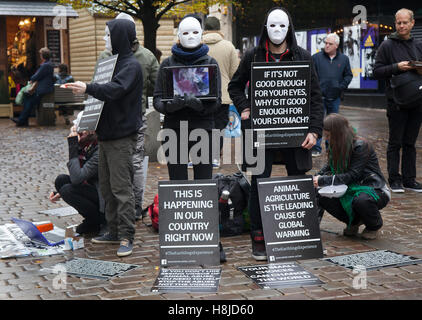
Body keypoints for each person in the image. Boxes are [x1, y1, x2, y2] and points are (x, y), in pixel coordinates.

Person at [228, 7, 324, 261]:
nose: (278, 31)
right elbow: (235, 86)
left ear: (289, 28)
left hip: (295, 131)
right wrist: (244, 108)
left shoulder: (303, 56)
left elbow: (315, 96)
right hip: (261, 132)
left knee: (297, 180)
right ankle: (259, 238)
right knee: (259, 182)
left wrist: (315, 130)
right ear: (265, 28)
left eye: (282, 26)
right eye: (273, 26)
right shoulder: (253, 56)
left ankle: (298, 235)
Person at [65, 18, 143, 257]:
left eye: (108, 35)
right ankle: (112, 229)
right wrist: (86, 122)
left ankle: (126, 235)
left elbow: (114, 90)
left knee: (121, 187)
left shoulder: (130, 65)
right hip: (107, 135)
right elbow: (101, 97)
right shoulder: (113, 63)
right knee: (107, 187)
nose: (104, 39)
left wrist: (87, 87)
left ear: (119, 37)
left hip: (121, 136)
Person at [98, 12, 159, 220]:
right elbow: (156, 85)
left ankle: (120, 215)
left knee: (121, 167)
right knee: (135, 164)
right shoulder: (146, 56)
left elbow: (99, 86)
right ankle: (132, 209)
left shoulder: (109, 56)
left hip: (117, 120)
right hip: (133, 118)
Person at [153, 15, 222, 181]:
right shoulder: (167, 64)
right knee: (177, 183)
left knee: (204, 183)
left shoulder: (211, 63)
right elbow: (157, 99)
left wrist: (200, 107)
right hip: (175, 130)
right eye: (186, 33)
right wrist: (171, 106)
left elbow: (217, 100)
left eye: (195, 32)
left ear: (201, 34)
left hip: (203, 129)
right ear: (179, 35)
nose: (190, 36)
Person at [313, 113, 391, 240]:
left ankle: (373, 225)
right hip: (348, 187)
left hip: (372, 188)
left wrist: (322, 180)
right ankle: (354, 222)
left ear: (338, 133)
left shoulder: (361, 146)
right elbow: (329, 167)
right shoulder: (336, 144)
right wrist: (316, 178)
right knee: (320, 194)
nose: (326, 139)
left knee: (361, 200)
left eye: (328, 135)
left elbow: (353, 175)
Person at [373, 8, 422, 193]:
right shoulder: (387, 45)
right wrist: (396, 67)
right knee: (395, 142)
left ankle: (410, 179)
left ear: (412, 23)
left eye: (404, 22)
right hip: (397, 102)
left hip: (417, 100)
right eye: (398, 23)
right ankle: (394, 180)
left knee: (410, 142)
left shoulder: (418, 45)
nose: (401, 26)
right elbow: (376, 71)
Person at [49, 112, 106, 235]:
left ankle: (96, 221)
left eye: (80, 131)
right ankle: (92, 220)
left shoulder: (99, 149)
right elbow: (78, 174)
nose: (76, 133)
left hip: (105, 199)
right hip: (94, 187)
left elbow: (77, 178)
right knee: (61, 181)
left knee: (67, 190)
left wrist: (73, 146)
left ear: (90, 131)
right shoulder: (87, 144)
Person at [202, 16, 240, 167]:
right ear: (219, 28)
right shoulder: (228, 46)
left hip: (201, 93)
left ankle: (199, 156)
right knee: (218, 126)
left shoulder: (198, 44)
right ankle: (215, 157)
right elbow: (234, 73)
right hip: (222, 95)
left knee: (201, 125)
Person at [311, 33, 353, 157]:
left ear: (336, 45)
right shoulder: (316, 58)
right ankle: (316, 147)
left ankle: (332, 148)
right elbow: (311, 75)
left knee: (334, 124)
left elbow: (348, 75)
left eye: (330, 44)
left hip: (335, 97)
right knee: (318, 121)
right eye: (326, 43)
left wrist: (340, 87)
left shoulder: (344, 59)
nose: (327, 46)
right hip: (319, 97)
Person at [11, 47, 54, 127]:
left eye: (40, 54)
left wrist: (32, 79)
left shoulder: (45, 65)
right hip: (44, 89)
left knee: (28, 100)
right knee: (27, 99)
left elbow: (35, 76)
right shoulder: (48, 64)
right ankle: (23, 120)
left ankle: (22, 121)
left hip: (42, 90)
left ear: (42, 56)